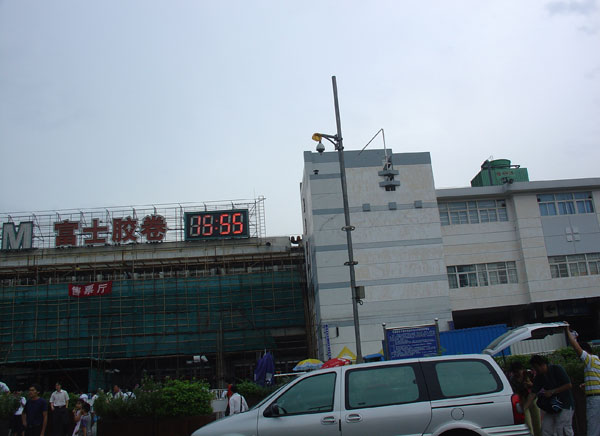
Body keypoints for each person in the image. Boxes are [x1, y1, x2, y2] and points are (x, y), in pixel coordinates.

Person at [525, 354, 574, 436]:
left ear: (542, 365)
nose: (536, 370)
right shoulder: (539, 376)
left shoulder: (557, 369)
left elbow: (568, 385)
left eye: (536, 368)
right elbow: (533, 393)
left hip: (565, 404)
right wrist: (525, 407)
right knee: (546, 429)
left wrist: (552, 391)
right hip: (551, 407)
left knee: (562, 428)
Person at [565, 325, 600, 436]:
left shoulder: (590, 360)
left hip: (594, 399)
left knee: (593, 429)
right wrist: (587, 384)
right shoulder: (597, 361)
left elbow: (577, 348)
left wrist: (568, 332)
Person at [509, 361, 541, 436]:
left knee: (537, 423)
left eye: (518, 371)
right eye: (514, 372)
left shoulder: (530, 374)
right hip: (523, 401)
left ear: (522, 369)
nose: (517, 374)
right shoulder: (512, 379)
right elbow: (515, 392)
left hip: (533, 400)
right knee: (528, 424)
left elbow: (538, 386)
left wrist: (531, 384)